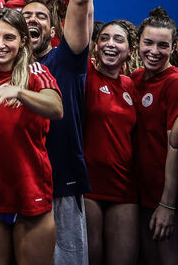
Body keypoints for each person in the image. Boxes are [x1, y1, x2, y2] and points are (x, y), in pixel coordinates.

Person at [23, 0, 100, 264]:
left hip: (61, 181)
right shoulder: (3, 70)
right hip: (18, 183)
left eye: (42, 17)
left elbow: (81, 3)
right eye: (26, 16)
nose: (33, 20)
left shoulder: (65, 60)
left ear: (55, 27)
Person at [0, 8, 63, 265]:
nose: (0, 44)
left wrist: (18, 92)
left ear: (22, 41)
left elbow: (56, 108)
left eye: (9, 37)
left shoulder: (36, 73)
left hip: (30, 197)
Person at [84, 20, 139, 265]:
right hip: (88, 186)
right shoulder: (84, 75)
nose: (110, 44)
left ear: (129, 50)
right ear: (95, 45)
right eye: (104, 38)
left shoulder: (132, 85)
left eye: (118, 40)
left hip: (125, 187)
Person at [133, 7, 178, 264]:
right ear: (138, 42)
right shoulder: (136, 78)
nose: (154, 51)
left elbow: (175, 147)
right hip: (139, 194)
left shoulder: (174, 83)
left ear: (173, 48)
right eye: (148, 42)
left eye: (163, 45)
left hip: (165, 198)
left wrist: (168, 205)